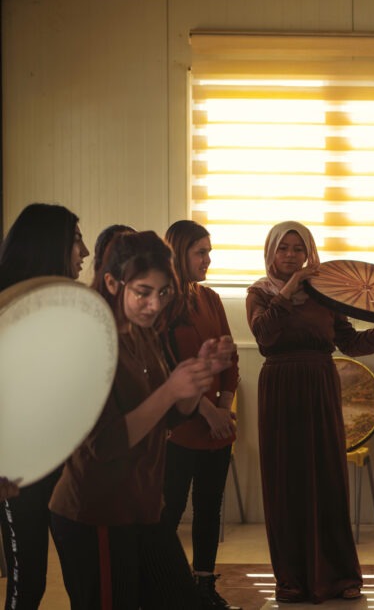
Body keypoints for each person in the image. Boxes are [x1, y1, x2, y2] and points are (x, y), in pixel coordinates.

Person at [49, 230, 234, 608]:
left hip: (143, 505)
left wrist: (195, 377)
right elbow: (104, 444)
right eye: (143, 292)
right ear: (113, 283)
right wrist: (171, 390)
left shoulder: (141, 332)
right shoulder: (92, 340)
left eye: (163, 293)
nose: (153, 305)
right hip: (97, 511)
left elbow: (168, 418)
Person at [246, 221, 374, 603]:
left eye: (299, 248)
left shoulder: (325, 294)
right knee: (284, 482)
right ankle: (291, 579)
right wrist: (288, 291)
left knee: (327, 479)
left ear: (310, 253)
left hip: (320, 384)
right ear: (271, 252)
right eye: (283, 248)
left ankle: (340, 577)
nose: (291, 255)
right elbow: (264, 337)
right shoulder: (258, 293)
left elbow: (351, 343)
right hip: (279, 388)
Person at [0, 203, 89, 610]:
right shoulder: (10, 308)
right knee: (28, 582)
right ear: (47, 245)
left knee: (86, 582)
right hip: (20, 469)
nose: (84, 251)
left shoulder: (77, 306)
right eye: (75, 240)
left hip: (75, 465)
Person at [161, 220, 240, 609]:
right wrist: (206, 410)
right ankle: (166, 587)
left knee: (210, 508)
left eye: (209, 252)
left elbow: (230, 356)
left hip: (216, 428)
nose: (209, 259)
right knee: (169, 511)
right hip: (181, 428)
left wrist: (223, 407)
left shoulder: (209, 298)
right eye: (201, 252)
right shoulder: (161, 303)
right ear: (179, 253)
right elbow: (169, 367)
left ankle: (204, 585)